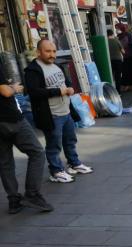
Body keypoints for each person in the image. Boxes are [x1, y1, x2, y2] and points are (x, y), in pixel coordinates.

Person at [24, 40, 93, 184]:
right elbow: (34, 92)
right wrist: (58, 91)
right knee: (54, 144)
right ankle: (56, 171)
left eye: (54, 51)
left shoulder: (56, 66)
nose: (52, 54)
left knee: (70, 140)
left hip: (65, 111)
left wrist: (69, 87)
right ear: (38, 52)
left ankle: (74, 163)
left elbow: (64, 83)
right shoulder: (33, 70)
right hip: (51, 115)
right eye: (48, 51)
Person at [0, 68, 53, 214]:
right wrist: (14, 88)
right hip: (9, 118)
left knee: (5, 161)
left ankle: (14, 200)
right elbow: (4, 91)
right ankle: (32, 194)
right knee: (37, 152)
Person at [117, 23, 132, 92]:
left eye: (118, 28)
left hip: (130, 56)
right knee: (126, 72)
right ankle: (128, 86)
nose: (117, 30)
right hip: (125, 57)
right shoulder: (120, 36)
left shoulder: (127, 35)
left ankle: (131, 86)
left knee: (131, 71)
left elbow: (124, 45)